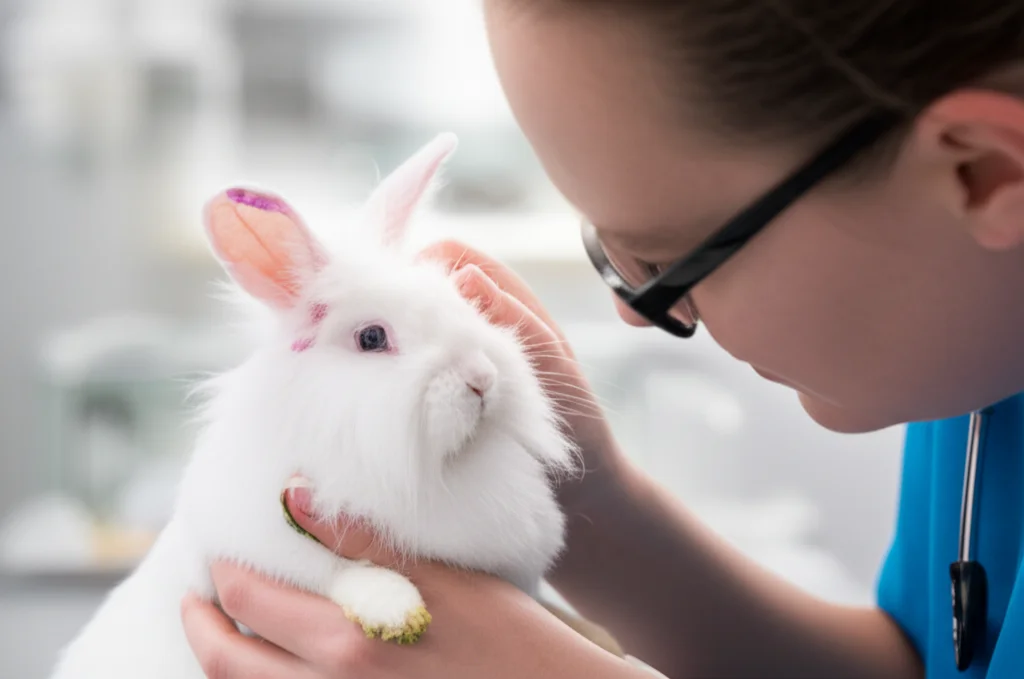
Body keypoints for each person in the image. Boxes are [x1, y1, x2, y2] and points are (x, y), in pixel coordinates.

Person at [179, 1, 1024, 677]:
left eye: (666, 257)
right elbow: (920, 662)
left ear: (981, 173)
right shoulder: (975, 363)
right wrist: (589, 501)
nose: (633, 309)